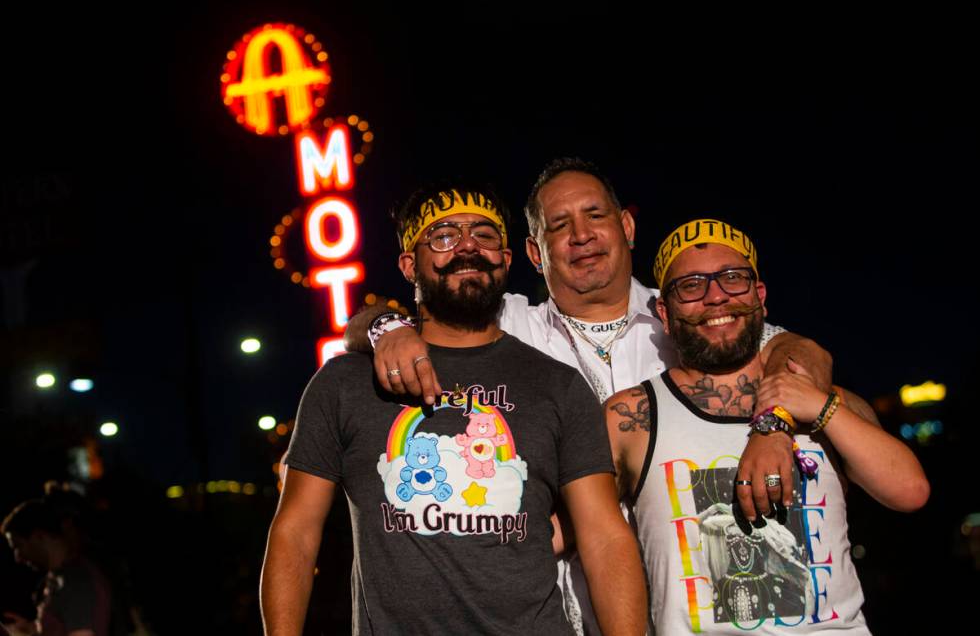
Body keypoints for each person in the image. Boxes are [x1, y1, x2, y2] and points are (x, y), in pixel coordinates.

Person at [351, 158, 833, 633]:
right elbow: (374, 326)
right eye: (559, 225)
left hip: (700, 608)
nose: (581, 235)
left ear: (625, 226)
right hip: (561, 612)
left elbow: (804, 356)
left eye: (595, 216)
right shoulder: (509, 325)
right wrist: (384, 326)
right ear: (536, 253)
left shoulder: (689, 315)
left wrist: (774, 423)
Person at [260, 183, 647, 635]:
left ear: (505, 258)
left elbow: (603, 537)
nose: (467, 247)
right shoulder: (346, 384)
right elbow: (296, 534)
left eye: (484, 235)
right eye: (443, 236)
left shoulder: (558, 385)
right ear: (409, 264)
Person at [603, 218, 930, 633]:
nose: (716, 296)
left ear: (760, 296)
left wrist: (807, 405)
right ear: (665, 314)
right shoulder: (631, 417)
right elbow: (584, 534)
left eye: (733, 279)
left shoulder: (828, 401)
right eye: (691, 286)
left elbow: (910, 492)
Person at [2, 494, 118, 636]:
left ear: (39, 536)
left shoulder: (76, 579)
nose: (18, 557)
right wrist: (32, 630)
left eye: (18, 546)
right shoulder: (60, 578)